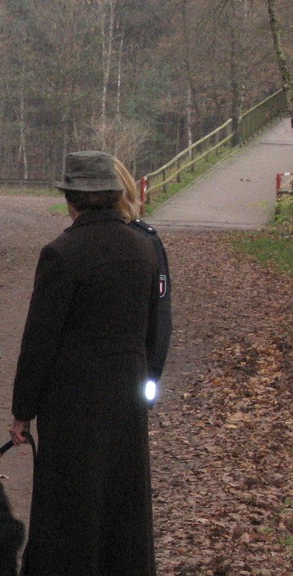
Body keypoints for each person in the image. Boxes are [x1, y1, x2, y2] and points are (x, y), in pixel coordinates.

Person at [8, 150, 166, 576]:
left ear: (71, 198)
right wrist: (147, 378)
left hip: (73, 397)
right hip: (125, 391)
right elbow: (154, 326)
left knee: (73, 504)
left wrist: (22, 409)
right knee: (123, 498)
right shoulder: (144, 250)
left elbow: (41, 340)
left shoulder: (63, 254)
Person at [114, 157, 173, 406]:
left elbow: (159, 315)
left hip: (131, 373)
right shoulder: (71, 246)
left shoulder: (147, 242)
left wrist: (150, 375)